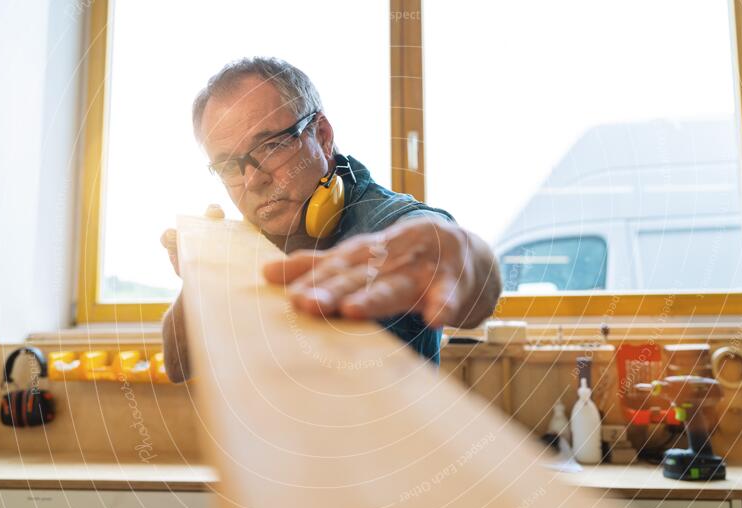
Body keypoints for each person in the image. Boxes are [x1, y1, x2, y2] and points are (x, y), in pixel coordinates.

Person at [160, 57, 501, 382]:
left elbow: (458, 261)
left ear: (321, 136)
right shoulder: (249, 240)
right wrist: (200, 275)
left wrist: (463, 256)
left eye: (270, 146)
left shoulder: (389, 223)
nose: (252, 180)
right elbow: (179, 367)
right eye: (228, 165)